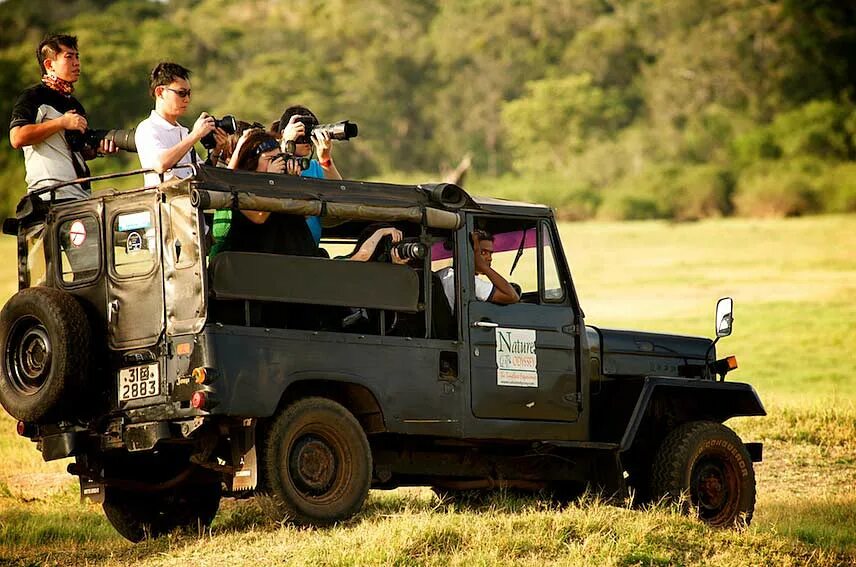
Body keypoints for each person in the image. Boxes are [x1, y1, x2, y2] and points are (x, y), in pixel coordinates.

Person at [9, 33, 118, 200]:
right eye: (69, 57)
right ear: (49, 64)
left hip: (80, 196)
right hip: (50, 195)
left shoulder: (73, 103)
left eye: (77, 56)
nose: (77, 63)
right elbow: (17, 138)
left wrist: (97, 150)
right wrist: (61, 122)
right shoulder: (34, 97)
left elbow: (75, 151)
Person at [211, 130, 317, 257]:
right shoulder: (240, 188)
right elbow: (259, 216)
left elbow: (305, 214)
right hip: (255, 262)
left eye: (279, 158)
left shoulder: (280, 186)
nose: (277, 163)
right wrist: (271, 180)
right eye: (270, 159)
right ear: (252, 161)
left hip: (295, 261)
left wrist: (291, 182)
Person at [134, 62, 228, 187]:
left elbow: (200, 174)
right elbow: (161, 164)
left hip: (189, 203)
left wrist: (216, 151)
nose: (187, 99)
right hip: (165, 203)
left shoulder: (183, 132)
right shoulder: (147, 128)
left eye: (189, 93)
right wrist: (195, 135)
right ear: (160, 92)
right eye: (181, 93)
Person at [275, 105, 344, 244]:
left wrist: (325, 158)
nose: (307, 141)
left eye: (310, 134)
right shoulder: (271, 160)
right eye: (302, 135)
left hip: (309, 249)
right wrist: (287, 143)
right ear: (284, 133)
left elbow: (339, 193)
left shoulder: (314, 166)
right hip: (281, 247)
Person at [436, 230, 519, 309]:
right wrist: (484, 267)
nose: (489, 258)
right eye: (483, 253)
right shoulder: (465, 281)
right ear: (469, 252)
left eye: (490, 253)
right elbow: (512, 296)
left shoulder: (445, 273)